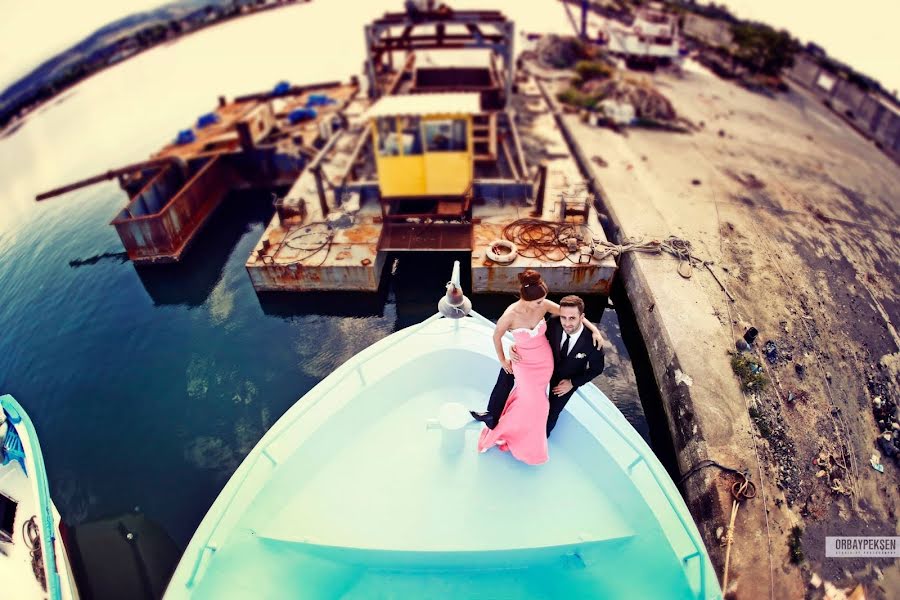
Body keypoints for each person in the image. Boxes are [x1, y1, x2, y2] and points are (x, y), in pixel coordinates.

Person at [476, 271, 604, 465]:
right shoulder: (510, 315)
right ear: (526, 300)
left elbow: (567, 313)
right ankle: (503, 432)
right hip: (523, 361)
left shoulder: (543, 304)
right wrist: (503, 358)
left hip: (544, 361)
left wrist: (595, 330)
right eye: (538, 302)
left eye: (544, 299)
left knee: (532, 402)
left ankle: (530, 438)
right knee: (539, 405)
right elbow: (496, 336)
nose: (543, 304)